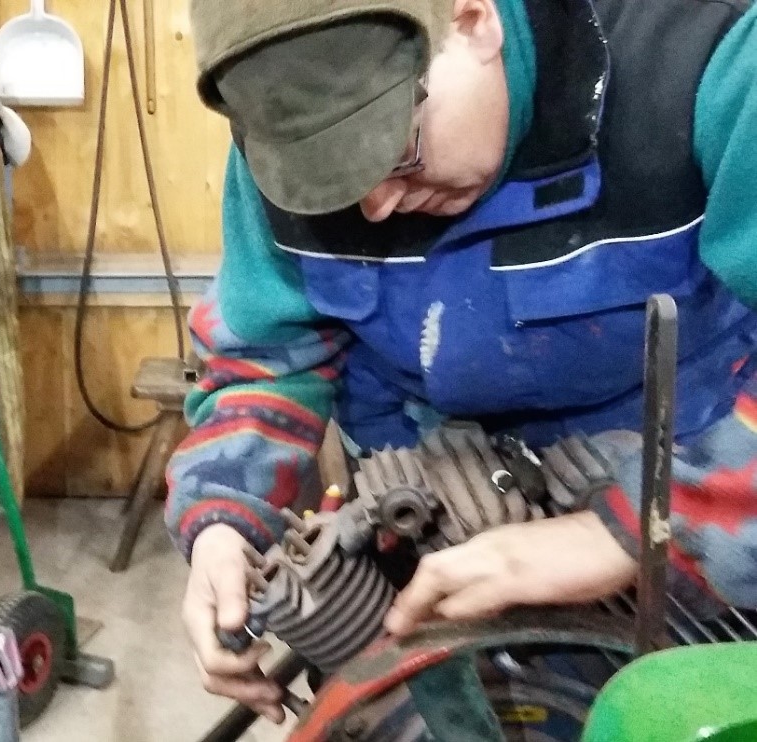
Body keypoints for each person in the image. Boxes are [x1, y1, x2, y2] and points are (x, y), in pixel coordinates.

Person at [168, 0, 757, 724]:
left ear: (474, 21)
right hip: (427, 535)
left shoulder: (713, 55)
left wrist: (651, 528)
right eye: (335, 181)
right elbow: (265, 356)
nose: (376, 205)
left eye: (397, 150)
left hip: (703, 535)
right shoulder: (295, 144)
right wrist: (223, 520)